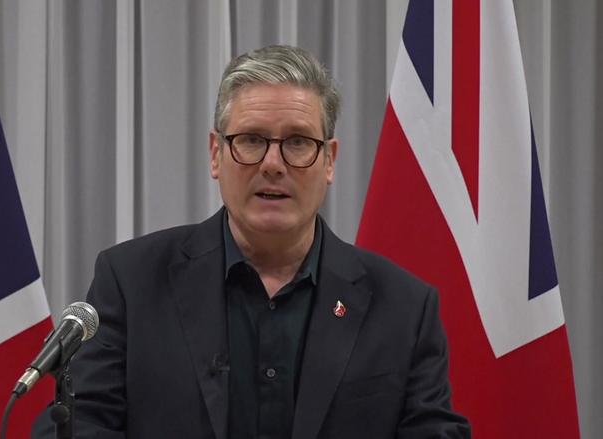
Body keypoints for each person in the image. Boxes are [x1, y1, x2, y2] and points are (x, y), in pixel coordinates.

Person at [33, 45, 470, 438]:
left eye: (298, 142)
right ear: (216, 154)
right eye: (251, 140)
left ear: (329, 161)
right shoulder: (131, 282)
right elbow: (77, 424)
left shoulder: (403, 306)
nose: (273, 164)